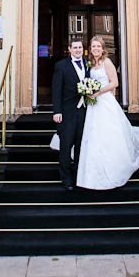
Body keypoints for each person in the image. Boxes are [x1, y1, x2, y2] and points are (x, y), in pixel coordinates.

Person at [77, 36, 139, 190]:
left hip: (104, 102)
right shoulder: (91, 63)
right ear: (90, 49)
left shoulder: (107, 62)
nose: (96, 49)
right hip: (93, 105)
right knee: (94, 134)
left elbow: (114, 83)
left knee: (109, 133)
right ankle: (91, 174)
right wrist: (89, 91)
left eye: (98, 46)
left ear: (103, 48)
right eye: (93, 46)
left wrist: (98, 92)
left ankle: (114, 167)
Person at [52, 39, 87, 191]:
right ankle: (66, 179)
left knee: (81, 146)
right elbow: (56, 90)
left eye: (80, 47)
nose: (78, 50)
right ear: (69, 49)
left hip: (85, 111)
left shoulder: (88, 65)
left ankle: (79, 176)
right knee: (66, 146)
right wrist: (57, 111)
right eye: (75, 47)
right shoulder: (61, 66)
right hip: (67, 112)